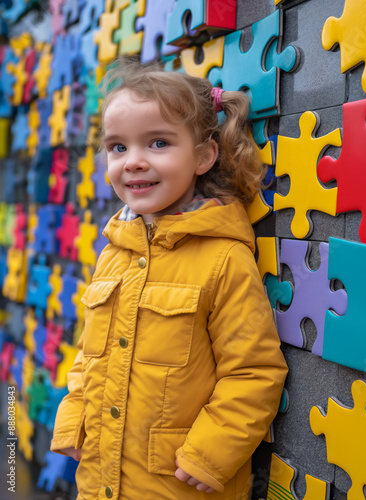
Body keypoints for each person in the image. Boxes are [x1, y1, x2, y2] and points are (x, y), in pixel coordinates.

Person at [50, 59, 288, 500]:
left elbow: (254, 371)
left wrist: (210, 453)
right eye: (118, 148)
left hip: (179, 485)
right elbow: (89, 357)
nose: (133, 162)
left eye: (158, 143)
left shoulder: (223, 257)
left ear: (203, 157)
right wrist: (73, 419)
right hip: (101, 481)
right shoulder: (113, 252)